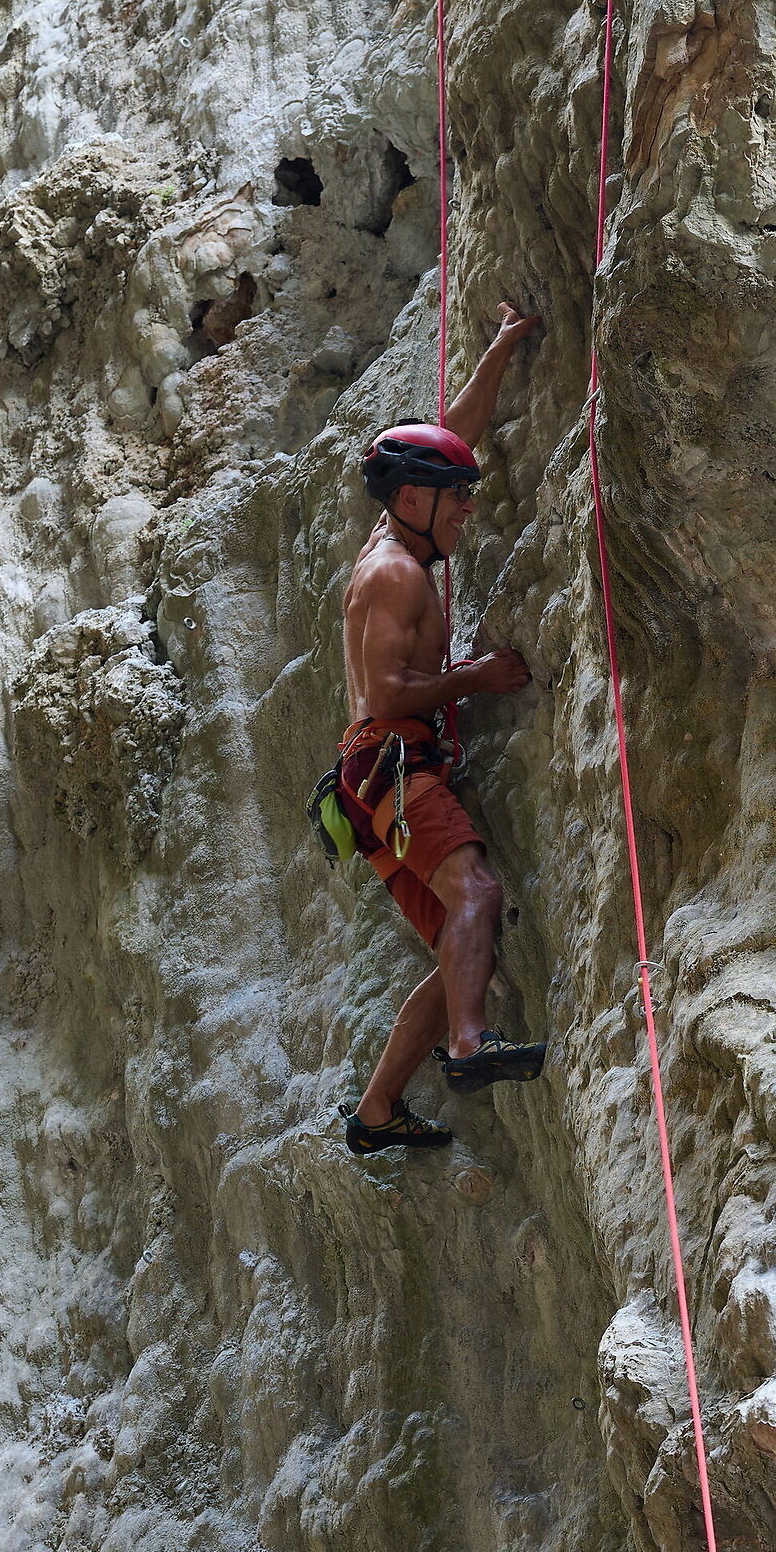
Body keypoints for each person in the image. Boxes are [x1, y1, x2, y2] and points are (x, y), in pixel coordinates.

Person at [335, 300, 546, 1156]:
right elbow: (389, 689)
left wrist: (501, 346)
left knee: (465, 946)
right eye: (455, 501)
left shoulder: (398, 535)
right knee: (478, 897)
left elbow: (447, 436)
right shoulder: (394, 574)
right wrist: (481, 678)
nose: (466, 511)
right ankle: (467, 1044)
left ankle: (377, 1111)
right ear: (415, 501)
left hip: (370, 783)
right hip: (395, 765)